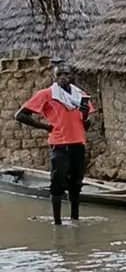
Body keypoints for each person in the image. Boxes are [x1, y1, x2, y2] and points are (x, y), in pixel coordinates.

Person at [14, 61, 94, 225]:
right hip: (60, 144)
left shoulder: (80, 96)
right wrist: (47, 127)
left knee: (76, 184)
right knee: (57, 183)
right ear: (54, 77)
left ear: (71, 76)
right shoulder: (47, 94)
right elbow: (21, 115)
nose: (64, 77)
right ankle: (57, 222)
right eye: (60, 75)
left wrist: (85, 115)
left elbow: (85, 124)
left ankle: (75, 220)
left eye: (66, 74)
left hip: (78, 143)